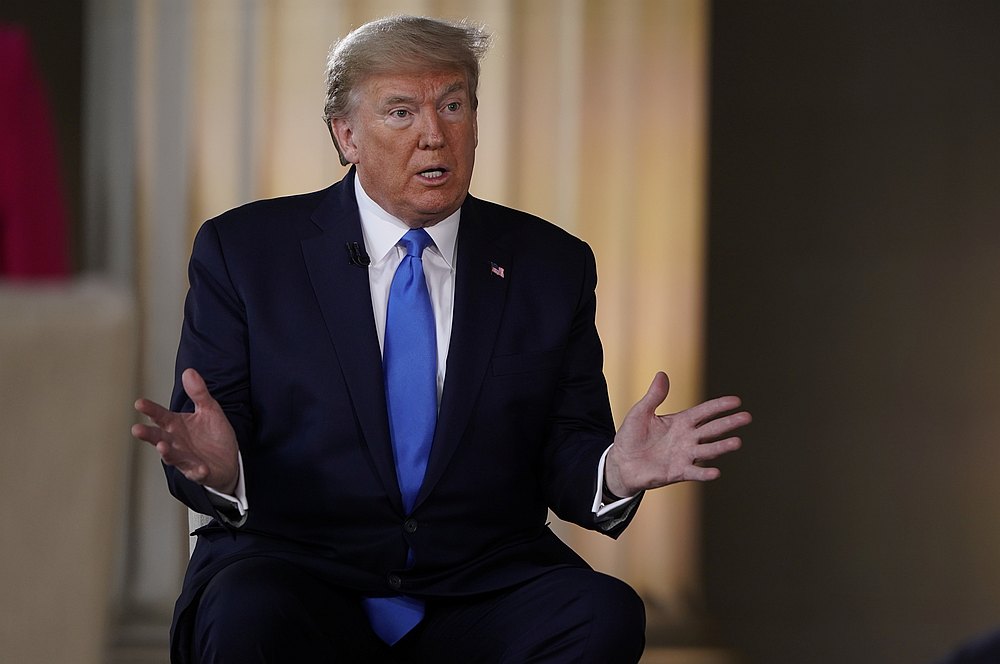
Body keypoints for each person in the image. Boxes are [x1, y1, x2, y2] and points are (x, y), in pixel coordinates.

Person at [131, 15, 750, 664]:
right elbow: (210, 433)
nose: (435, 134)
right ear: (346, 136)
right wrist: (226, 473)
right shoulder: (246, 252)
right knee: (243, 613)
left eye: (453, 105)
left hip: (478, 583)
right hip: (301, 569)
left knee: (603, 615)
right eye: (401, 112)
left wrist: (613, 472)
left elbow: (567, 444)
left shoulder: (549, 264)